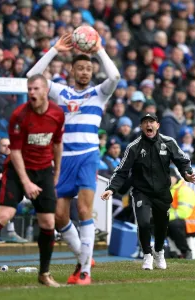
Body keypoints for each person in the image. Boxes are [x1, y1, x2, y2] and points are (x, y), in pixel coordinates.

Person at [27, 33, 120, 285]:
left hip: (88, 157)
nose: (85, 72)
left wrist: (100, 49)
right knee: (58, 216)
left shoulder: (99, 93)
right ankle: (83, 256)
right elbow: (32, 77)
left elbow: (115, 77)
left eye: (89, 69)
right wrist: (54, 50)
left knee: (84, 210)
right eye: (80, 68)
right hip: (64, 159)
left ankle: (84, 273)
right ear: (72, 70)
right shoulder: (61, 92)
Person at [0, 74, 65, 287]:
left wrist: (57, 173)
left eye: (36, 89)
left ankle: (44, 273)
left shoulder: (57, 114)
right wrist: (26, 182)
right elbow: (15, 151)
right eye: (29, 88)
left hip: (43, 171)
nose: (31, 92)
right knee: (4, 215)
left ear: (46, 90)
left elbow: (58, 145)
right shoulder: (19, 116)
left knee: (48, 222)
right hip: (17, 169)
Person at [101, 113, 195, 270]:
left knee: (161, 225)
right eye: (145, 122)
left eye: (151, 122)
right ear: (141, 127)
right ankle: (147, 255)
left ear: (157, 125)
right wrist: (111, 188)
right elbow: (121, 171)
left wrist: (187, 174)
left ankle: (158, 251)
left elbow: (183, 161)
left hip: (162, 192)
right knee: (144, 222)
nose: (149, 124)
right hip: (141, 192)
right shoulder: (133, 147)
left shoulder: (168, 142)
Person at [0, 138, 28, 243]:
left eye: (9, 145)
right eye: (4, 145)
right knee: (10, 199)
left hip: (2, 190)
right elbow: (12, 172)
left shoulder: (10, 158)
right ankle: (9, 232)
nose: (7, 148)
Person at [168, 168, 195, 259]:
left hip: (192, 224)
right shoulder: (170, 190)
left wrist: (165, 218)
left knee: (173, 225)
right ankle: (167, 251)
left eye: (169, 177)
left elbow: (183, 213)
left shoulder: (184, 190)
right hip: (182, 222)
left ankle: (186, 251)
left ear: (175, 178)